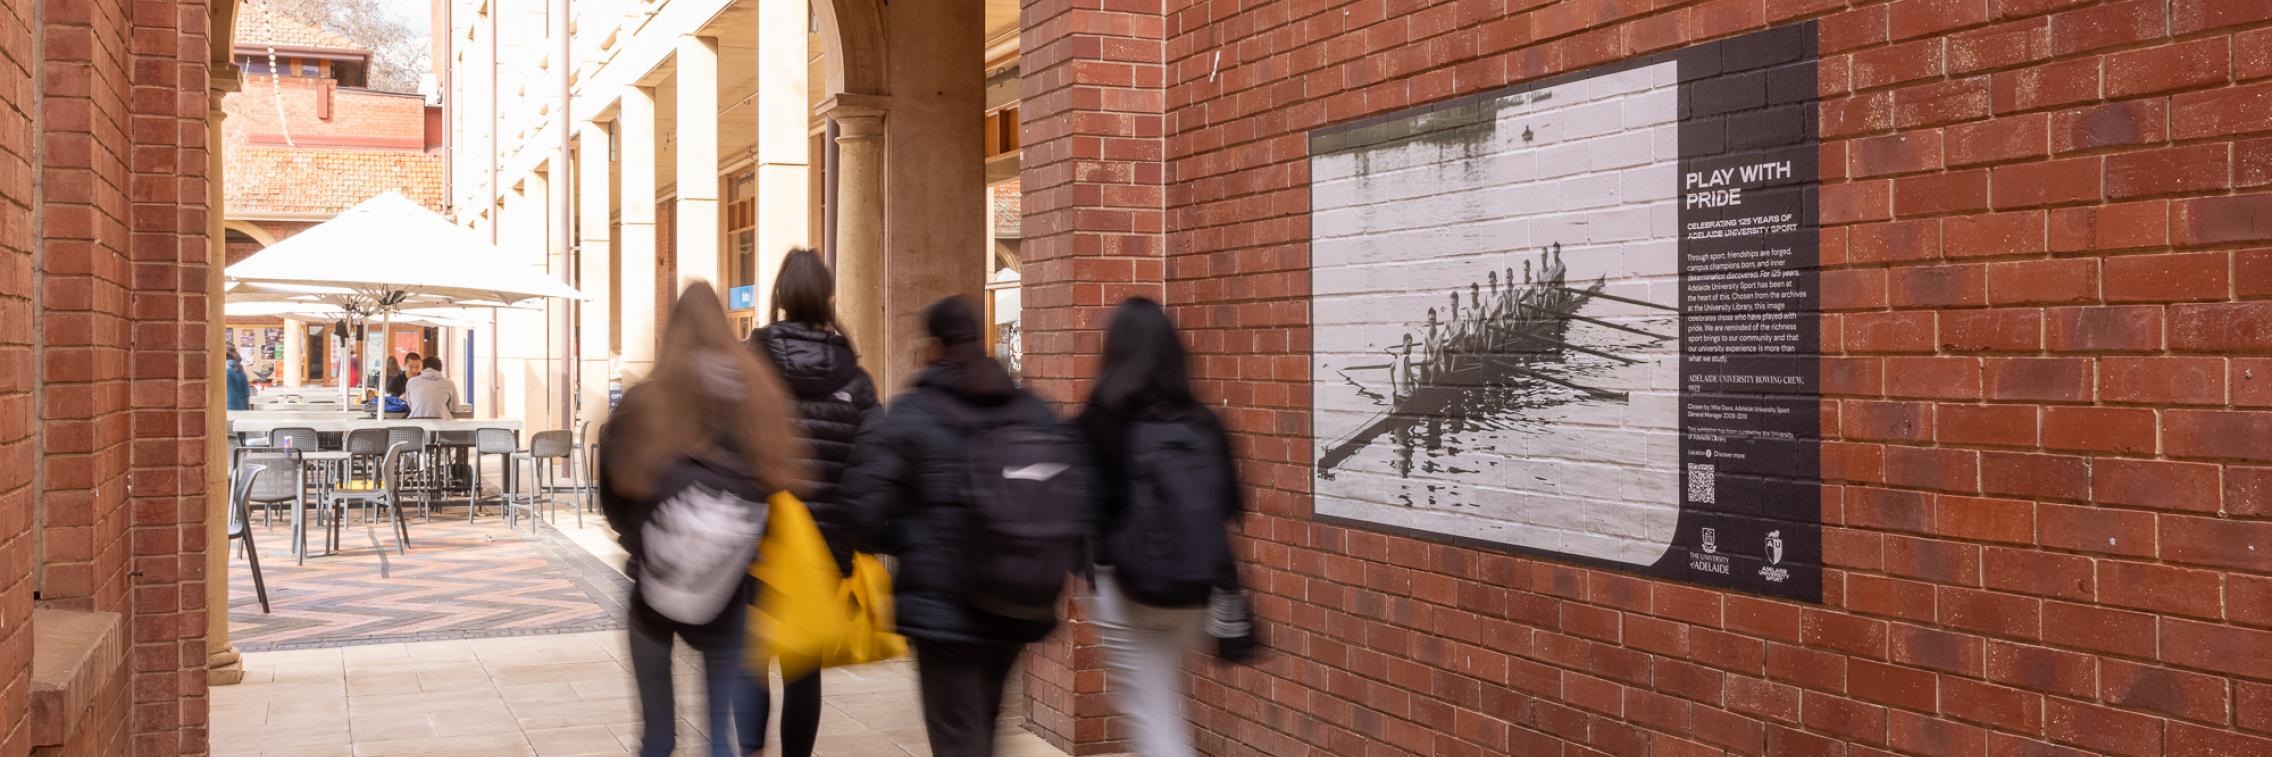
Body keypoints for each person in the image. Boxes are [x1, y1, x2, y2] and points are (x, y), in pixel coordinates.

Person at [832, 296, 1094, 757]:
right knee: (981, 730)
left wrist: (905, 538)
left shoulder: (913, 413)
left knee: (957, 738)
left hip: (944, 611)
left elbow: (861, 511)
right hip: (1016, 599)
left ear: (934, 345)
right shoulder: (1033, 409)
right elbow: (1072, 493)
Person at [599, 282, 803, 757]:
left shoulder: (645, 400)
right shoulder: (755, 400)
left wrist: (645, 541)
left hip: (653, 585)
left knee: (657, 736)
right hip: (728, 590)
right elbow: (775, 490)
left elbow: (610, 493)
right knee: (719, 733)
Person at [1076, 298, 1244, 757]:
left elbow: (1083, 511)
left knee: (1151, 713)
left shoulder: (1098, 419)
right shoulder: (1204, 421)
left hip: (1128, 589)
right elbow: (1231, 503)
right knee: (1163, 700)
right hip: (1194, 589)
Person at [741, 249, 877, 757]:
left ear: (777, 297)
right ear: (828, 298)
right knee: (803, 671)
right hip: (824, 545)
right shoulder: (856, 380)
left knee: (750, 660)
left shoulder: (747, 366)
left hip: (755, 542)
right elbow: (871, 466)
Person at [225, 346, 252, 411]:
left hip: (229, 408)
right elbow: (246, 392)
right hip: (242, 407)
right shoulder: (239, 368)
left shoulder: (226, 369)